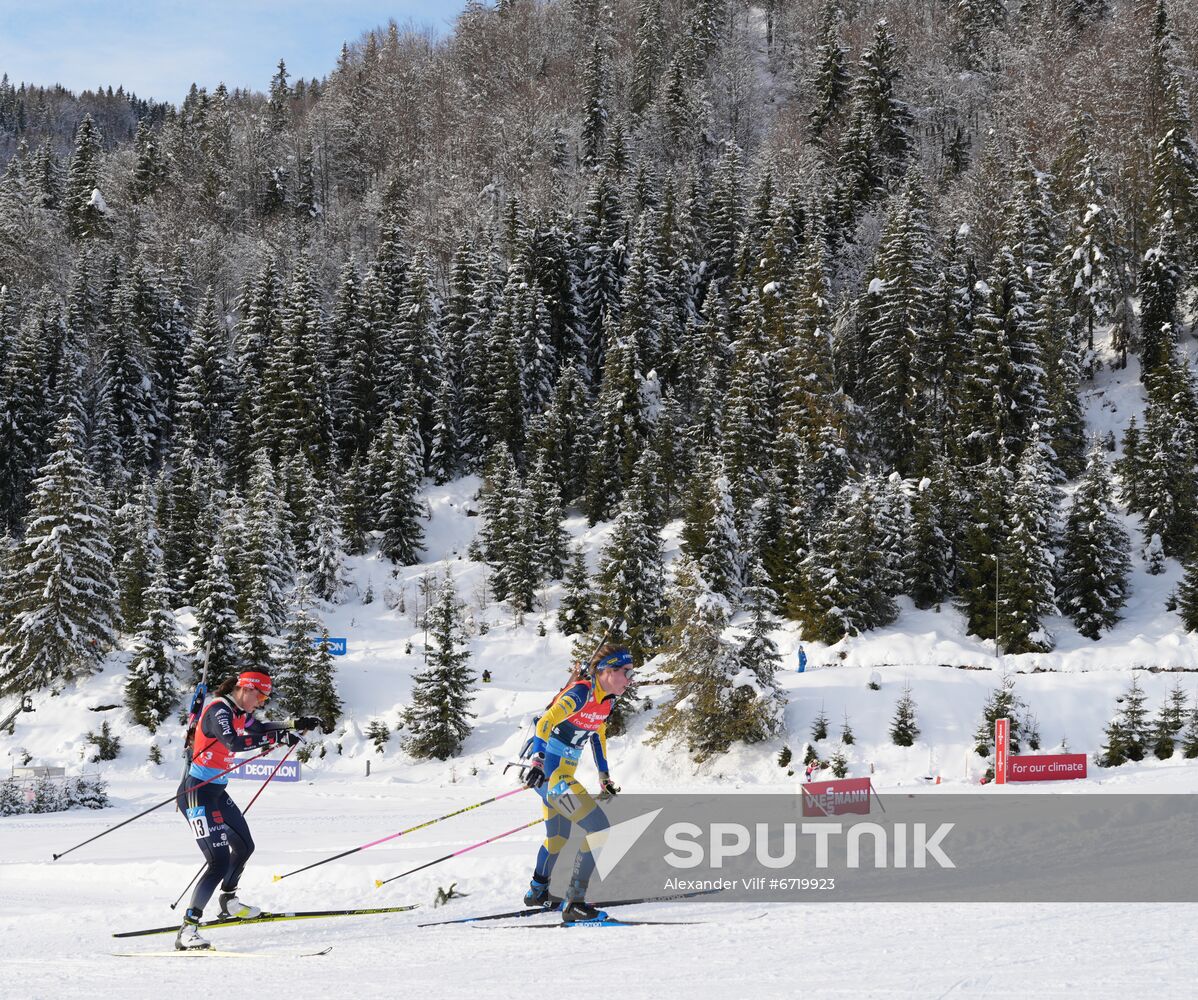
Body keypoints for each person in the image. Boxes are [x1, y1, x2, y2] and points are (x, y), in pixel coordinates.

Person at [174, 670, 321, 950]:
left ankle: (228, 901)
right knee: (217, 861)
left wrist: (294, 724)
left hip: (216, 792)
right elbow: (234, 742)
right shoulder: (219, 711)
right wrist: (278, 739)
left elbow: (261, 728)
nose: (261, 702)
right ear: (247, 689)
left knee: (244, 846)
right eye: (261, 697)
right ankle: (188, 929)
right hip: (196, 793)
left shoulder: (239, 712)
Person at [521, 644, 633, 923]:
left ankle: (537, 892)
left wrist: (604, 776)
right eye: (626, 672)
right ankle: (575, 903)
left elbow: (598, 733)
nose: (630, 679)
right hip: (551, 776)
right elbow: (544, 723)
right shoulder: (580, 693)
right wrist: (537, 761)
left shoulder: (607, 701)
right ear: (607, 671)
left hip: (560, 775)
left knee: (558, 839)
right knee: (599, 828)